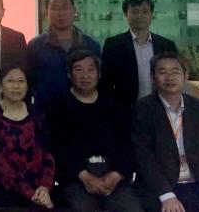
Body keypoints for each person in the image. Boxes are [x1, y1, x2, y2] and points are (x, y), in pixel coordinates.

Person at [47, 50, 143, 212]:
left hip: (113, 173)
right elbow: (58, 148)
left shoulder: (114, 105)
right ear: (69, 74)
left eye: (91, 70)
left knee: (131, 208)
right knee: (82, 207)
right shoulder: (58, 107)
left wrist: (116, 175)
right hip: (76, 177)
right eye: (78, 69)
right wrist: (85, 176)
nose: (85, 75)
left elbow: (127, 145)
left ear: (99, 74)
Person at [133, 52, 199, 212]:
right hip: (161, 187)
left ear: (186, 76)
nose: (169, 77)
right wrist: (166, 194)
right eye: (162, 72)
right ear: (153, 77)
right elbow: (144, 156)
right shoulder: (142, 109)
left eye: (175, 71)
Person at [0, 65, 55, 209]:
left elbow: (48, 153)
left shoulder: (37, 114)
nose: (16, 86)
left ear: (27, 86)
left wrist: (45, 187)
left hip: (38, 188)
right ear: (0, 86)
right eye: (10, 81)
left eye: (21, 81)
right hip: (4, 187)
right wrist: (31, 194)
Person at [26, 0, 100, 107]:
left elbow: (98, 81)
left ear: (74, 11)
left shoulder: (90, 45)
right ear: (46, 12)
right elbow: (29, 82)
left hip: (83, 109)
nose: (60, 13)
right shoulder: (35, 45)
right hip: (47, 110)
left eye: (65, 7)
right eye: (54, 8)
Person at [101, 0, 178, 109]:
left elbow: (175, 77)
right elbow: (105, 82)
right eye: (134, 12)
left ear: (151, 15)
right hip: (126, 109)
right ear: (126, 15)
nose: (139, 16)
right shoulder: (113, 45)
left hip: (161, 108)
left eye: (145, 12)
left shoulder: (166, 45)